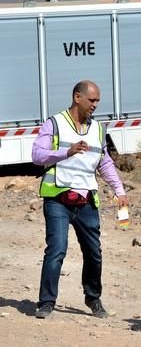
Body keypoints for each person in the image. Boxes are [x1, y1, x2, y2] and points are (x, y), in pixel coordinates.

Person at [32, 80, 128, 319]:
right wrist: (66, 151)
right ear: (77, 98)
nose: (95, 105)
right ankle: (46, 302)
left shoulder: (97, 129)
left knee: (94, 252)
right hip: (58, 198)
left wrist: (119, 190)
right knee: (56, 249)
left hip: (86, 200)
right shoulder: (54, 124)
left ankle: (93, 298)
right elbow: (37, 155)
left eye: (97, 101)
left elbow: (103, 162)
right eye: (92, 100)